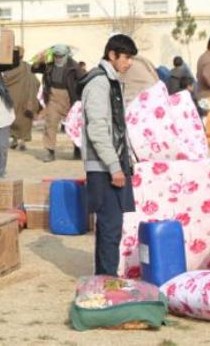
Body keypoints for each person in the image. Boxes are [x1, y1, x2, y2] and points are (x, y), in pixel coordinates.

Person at [79, 34, 138, 276]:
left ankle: (104, 278)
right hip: (103, 167)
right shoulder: (100, 83)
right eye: (126, 57)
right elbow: (97, 128)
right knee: (110, 226)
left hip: (110, 163)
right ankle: (107, 280)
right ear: (112, 55)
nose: (129, 63)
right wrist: (114, 166)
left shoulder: (110, 82)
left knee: (108, 227)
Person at [32, 45, 84, 162]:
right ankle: (50, 151)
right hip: (53, 98)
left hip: (69, 98)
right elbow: (34, 69)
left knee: (74, 125)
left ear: (66, 55)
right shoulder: (49, 66)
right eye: (56, 56)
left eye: (61, 56)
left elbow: (83, 80)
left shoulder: (74, 67)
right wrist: (39, 61)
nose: (58, 58)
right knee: (50, 123)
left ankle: (77, 148)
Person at [4, 47, 41, 151]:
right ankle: (22, 141)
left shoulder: (9, 67)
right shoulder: (28, 67)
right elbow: (37, 82)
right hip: (26, 99)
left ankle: (14, 139)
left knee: (12, 118)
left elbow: (4, 80)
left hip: (12, 98)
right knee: (25, 120)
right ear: (23, 55)